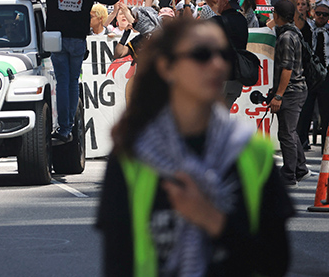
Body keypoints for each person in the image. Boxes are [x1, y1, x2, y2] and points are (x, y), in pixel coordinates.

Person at [97, 19, 292, 277]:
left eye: (223, 55)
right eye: (201, 55)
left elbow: (277, 261)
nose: (217, 65)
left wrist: (212, 219)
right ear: (167, 67)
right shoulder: (132, 154)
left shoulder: (253, 152)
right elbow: (118, 263)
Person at [17, 0, 125, 143]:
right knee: (73, 82)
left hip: (56, 40)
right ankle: (68, 127)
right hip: (77, 40)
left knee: (62, 82)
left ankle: (64, 127)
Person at [268, 0, 309, 186]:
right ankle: (300, 168)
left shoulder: (286, 37)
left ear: (276, 15)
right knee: (290, 131)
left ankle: (289, 174)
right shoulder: (293, 32)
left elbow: (287, 68)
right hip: (296, 90)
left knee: (286, 133)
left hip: (291, 91)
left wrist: (279, 95)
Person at [190, 0, 249, 107]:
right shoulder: (242, 20)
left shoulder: (218, 21)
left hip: (221, 78)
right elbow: (214, 5)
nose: (217, 1)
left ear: (225, 2)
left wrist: (186, 5)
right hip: (237, 78)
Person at [297, 0, 329, 150]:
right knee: (305, 112)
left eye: (324, 15)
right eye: (318, 13)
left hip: (326, 77)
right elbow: (297, 18)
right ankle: (301, 142)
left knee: (327, 114)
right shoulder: (307, 29)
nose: (321, 17)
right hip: (308, 76)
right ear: (313, 13)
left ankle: (328, 144)